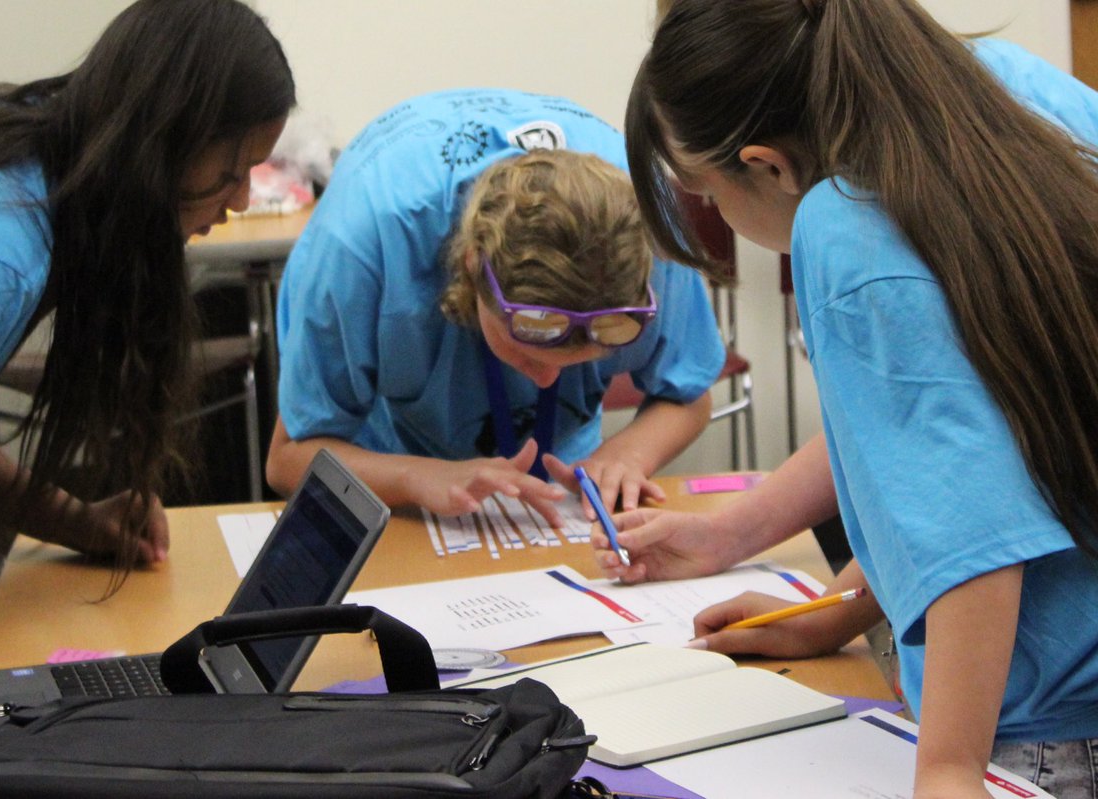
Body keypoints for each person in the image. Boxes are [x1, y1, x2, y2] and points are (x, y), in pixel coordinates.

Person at [598, 1, 1098, 797]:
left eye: (704, 193)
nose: (715, 216)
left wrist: (948, 769)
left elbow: (977, 532)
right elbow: (975, 448)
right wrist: (841, 610)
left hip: (1041, 729)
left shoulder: (846, 231)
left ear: (767, 165)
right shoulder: (985, 129)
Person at [0, 0, 295, 745]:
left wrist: (77, 521)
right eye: (231, 171)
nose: (241, 200)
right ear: (165, 140)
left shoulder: (18, 165)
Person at [265, 88, 726, 527]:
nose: (546, 378)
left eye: (583, 358)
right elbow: (288, 458)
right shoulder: (364, 245)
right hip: (389, 483)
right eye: (530, 349)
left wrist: (627, 455)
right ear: (471, 266)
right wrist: (415, 477)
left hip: (553, 492)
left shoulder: (646, 233)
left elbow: (687, 394)